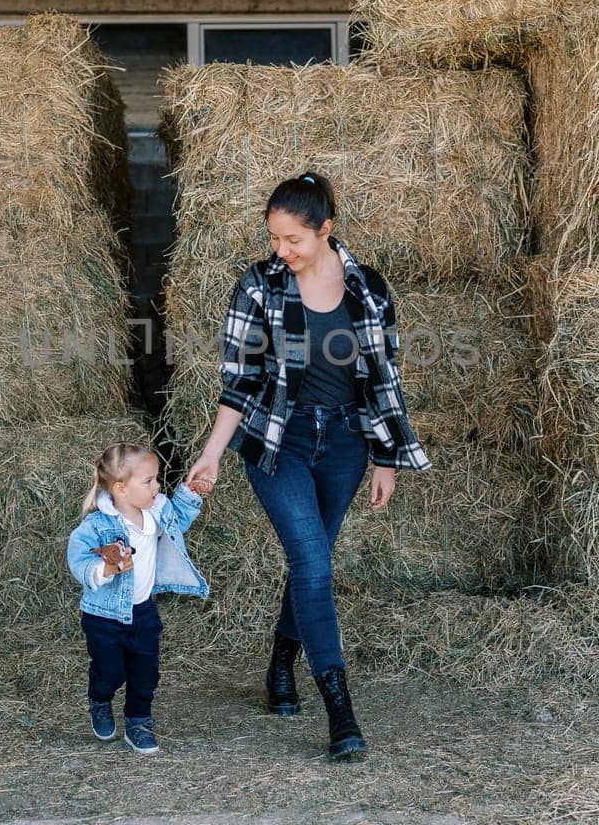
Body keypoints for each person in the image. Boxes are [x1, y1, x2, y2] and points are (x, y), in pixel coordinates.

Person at [185, 171, 431, 762]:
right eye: (273, 238)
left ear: (325, 230)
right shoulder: (259, 286)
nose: (281, 251)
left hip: (345, 444)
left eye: (292, 239)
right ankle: (340, 710)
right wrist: (213, 453)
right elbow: (239, 381)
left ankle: (278, 666)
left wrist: (385, 457)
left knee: (311, 563)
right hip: (278, 443)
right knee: (313, 562)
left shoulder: (368, 289)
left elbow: (383, 380)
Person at [66, 441, 210, 754]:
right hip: (104, 617)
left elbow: (179, 521)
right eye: (148, 482)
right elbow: (77, 558)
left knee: (146, 673)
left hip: (143, 612)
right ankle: (100, 698)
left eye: (157, 479)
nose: (157, 487)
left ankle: (139, 722)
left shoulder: (156, 511)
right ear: (120, 488)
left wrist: (191, 493)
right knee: (110, 672)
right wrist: (105, 568)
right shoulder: (98, 525)